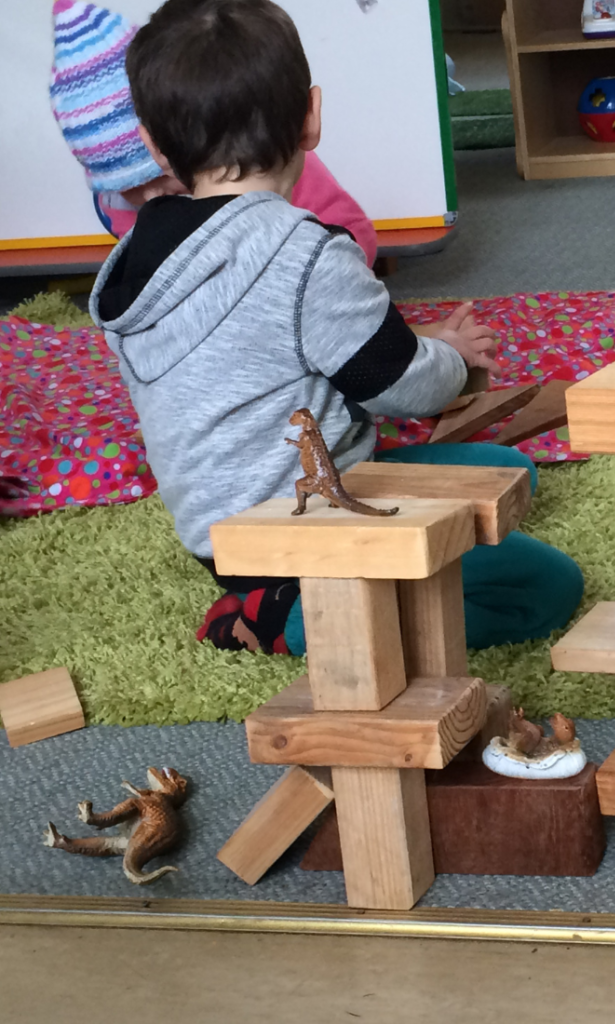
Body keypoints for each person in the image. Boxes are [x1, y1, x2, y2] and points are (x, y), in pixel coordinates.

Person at [89, 0, 583, 656]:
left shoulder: (134, 261)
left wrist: (416, 340)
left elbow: (270, 362)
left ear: (152, 143)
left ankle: (275, 589)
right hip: (301, 521)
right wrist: (454, 358)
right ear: (310, 117)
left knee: (503, 470)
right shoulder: (304, 250)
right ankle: (292, 620)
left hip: (217, 530)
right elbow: (404, 389)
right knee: (544, 585)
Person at [48, 0, 378, 265]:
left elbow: (354, 234)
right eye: (130, 190)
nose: (152, 197)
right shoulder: (116, 203)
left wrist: (328, 277)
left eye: (158, 177)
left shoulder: (274, 157)